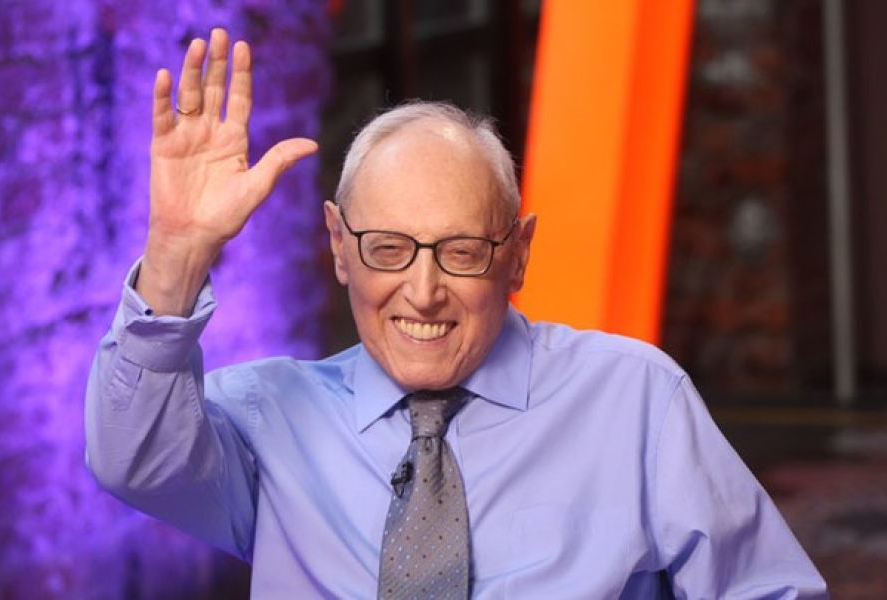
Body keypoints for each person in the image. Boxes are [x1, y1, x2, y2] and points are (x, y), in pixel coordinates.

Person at [85, 28, 828, 598]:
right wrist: (176, 254)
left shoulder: (636, 400)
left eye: (462, 251)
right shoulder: (267, 416)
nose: (423, 290)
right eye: (387, 249)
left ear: (518, 255)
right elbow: (132, 461)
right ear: (340, 247)